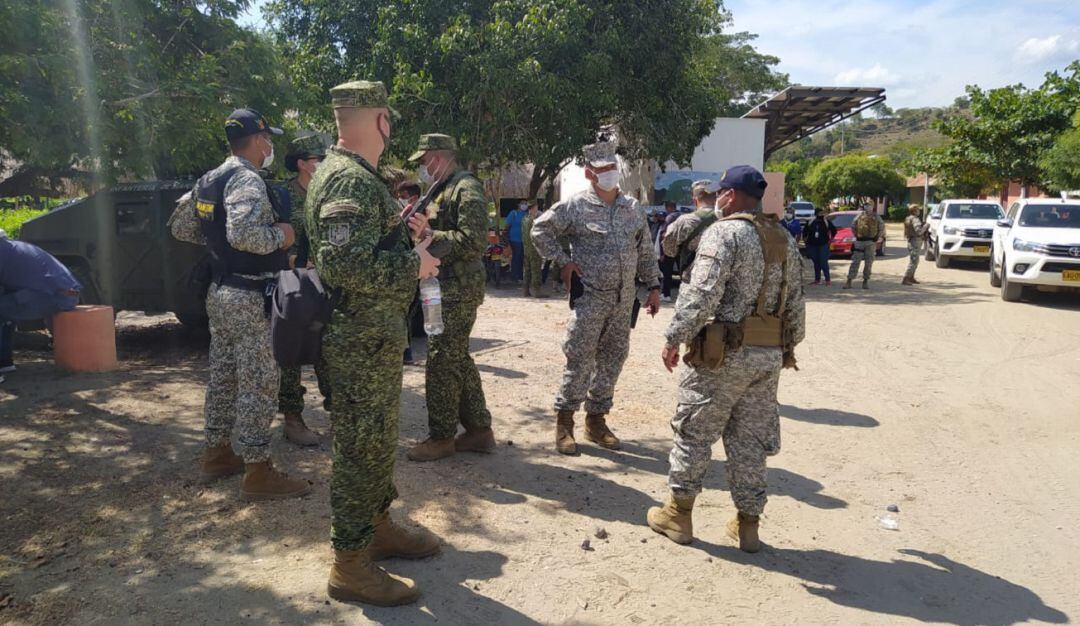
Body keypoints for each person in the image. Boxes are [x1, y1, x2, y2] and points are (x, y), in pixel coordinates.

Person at [306, 80, 442, 606]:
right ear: (382, 120)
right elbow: (342, 265)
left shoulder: (353, 174)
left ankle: (377, 527)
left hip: (371, 339)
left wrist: (404, 233)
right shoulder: (347, 178)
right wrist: (415, 265)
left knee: (377, 441)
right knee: (360, 450)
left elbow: (359, 247)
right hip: (356, 341)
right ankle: (349, 564)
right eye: (390, 119)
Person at [648, 165, 805, 553]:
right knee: (750, 440)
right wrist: (783, 346)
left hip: (722, 355)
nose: (717, 198)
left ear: (730, 196)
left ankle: (678, 514)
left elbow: (701, 295)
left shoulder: (724, 233)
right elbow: (796, 306)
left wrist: (674, 337)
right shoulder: (783, 237)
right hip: (768, 356)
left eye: (721, 192)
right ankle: (747, 525)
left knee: (694, 431)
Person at [169, 108, 311, 500]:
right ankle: (257, 471)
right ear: (259, 140)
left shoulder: (210, 178)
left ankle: (217, 453)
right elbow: (245, 234)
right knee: (259, 381)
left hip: (221, 292)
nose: (270, 146)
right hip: (250, 295)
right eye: (268, 139)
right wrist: (282, 236)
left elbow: (181, 226)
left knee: (224, 375)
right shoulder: (247, 179)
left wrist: (218, 242)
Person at [531, 139, 662, 455]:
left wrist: (654, 286)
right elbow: (539, 230)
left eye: (612, 168)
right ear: (590, 173)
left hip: (623, 300)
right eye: (602, 169)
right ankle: (565, 423)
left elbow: (645, 249)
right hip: (590, 298)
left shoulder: (632, 208)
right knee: (579, 359)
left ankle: (596, 421)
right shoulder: (575, 206)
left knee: (613, 360)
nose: (609, 174)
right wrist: (563, 262)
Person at [405, 133, 497, 462]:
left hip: (458, 288)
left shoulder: (465, 187)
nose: (422, 167)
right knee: (456, 356)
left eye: (424, 161)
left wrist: (430, 234)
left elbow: (473, 242)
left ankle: (442, 437)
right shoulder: (440, 189)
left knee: (442, 360)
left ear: (438, 157)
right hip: (438, 286)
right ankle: (479, 431)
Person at [276, 133, 329, 446]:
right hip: (295, 282)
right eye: (316, 159)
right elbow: (272, 236)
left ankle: (339, 411)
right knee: (291, 350)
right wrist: (292, 257)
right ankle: (292, 418)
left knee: (329, 348)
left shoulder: (329, 191)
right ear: (301, 164)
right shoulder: (282, 195)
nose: (321, 163)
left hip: (327, 281)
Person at [0, 229, 81, 383]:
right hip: (65, 294)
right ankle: (4, 362)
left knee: (3, 308)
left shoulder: (2, 251)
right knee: (7, 307)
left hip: (54, 296)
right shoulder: (13, 247)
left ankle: (4, 361)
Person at [661, 180, 719, 285]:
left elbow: (669, 250)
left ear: (695, 200)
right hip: (720, 281)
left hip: (692, 281)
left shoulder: (684, 221)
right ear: (716, 199)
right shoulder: (728, 219)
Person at [395, 181, 423, 365]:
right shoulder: (404, 213)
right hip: (405, 266)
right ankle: (405, 351)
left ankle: (406, 352)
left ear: (413, 198)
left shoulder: (424, 212)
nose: (400, 200)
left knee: (406, 311)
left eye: (403, 197)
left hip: (415, 267)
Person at [844, 204, 885, 290]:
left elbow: (881, 227)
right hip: (860, 242)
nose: (868, 207)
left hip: (870, 242)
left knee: (868, 263)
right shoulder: (859, 215)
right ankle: (849, 280)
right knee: (855, 261)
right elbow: (853, 226)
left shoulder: (876, 217)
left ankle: (865, 281)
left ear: (872, 207)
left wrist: (877, 237)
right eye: (866, 205)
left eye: (869, 205)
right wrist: (856, 235)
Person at [803, 209, 837, 286]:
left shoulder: (826, 222)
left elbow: (834, 230)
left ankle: (827, 280)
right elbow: (805, 232)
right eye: (820, 213)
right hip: (812, 245)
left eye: (823, 213)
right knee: (816, 262)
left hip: (823, 245)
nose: (822, 214)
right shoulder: (810, 222)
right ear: (816, 213)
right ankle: (817, 280)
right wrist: (806, 242)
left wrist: (831, 239)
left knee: (823, 262)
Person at [656, 201, 680, 302]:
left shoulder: (669, 218)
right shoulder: (682, 216)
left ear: (669, 208)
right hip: (680, 248)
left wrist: (662, 253)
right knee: (683, 273)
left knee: (667, 273)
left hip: (669, 249)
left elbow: (663, 235)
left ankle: (666, 294)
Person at [521, 200, 545, 298]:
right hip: (535, 248)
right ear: (534, 208)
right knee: (536, 270)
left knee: (527, 269)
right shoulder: (535, 220)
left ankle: (525, 290)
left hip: (526, 248)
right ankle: (537, 291)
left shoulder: (524, 219)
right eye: (536, 207)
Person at [903, 205, 930, 285]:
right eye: (918, 209)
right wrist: (926, 226)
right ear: (915, 211)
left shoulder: (908, 218)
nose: (919, 211)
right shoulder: (915, 219)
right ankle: (906, 278)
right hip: (915, 241)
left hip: (911, 240)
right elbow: (919, 231)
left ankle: (911, 277)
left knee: (915, 260)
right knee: (914, 261)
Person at [505, 200, 528, 283]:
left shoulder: (526, 214)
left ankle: (520, 276)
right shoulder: (514, 213)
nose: (524, 205)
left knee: (521, 258)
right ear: (518, 205)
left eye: (526, 204)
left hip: (524, 240)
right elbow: (507, 225)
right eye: (523, 203)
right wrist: (506, 236)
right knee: (516, 257)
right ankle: (514, 276)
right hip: (514, 239)